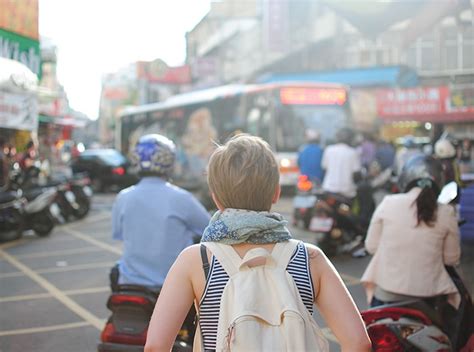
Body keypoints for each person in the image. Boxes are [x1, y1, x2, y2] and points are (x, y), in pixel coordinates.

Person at [144, 134, 371, 352]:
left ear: (216, 198)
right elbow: (359, 343)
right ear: (276, 193)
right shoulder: (310, 259)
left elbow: (156, 346)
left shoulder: (196, 260)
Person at [111, 134, 210, 289]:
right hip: (172, 287)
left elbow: (118, 234)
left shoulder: (123, 197)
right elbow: (209, 230)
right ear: (169, 162)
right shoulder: (181, 198)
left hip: (129, 284)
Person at [361, 154, 461, 308]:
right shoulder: (446, 211)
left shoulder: (388, 203)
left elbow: (371, 246)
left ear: (405, 179)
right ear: (440, 182)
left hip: (386, 295)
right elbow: (451, 259)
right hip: (429, 298)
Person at [321, 127, 361, 200]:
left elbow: (324, 168)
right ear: (351, 139)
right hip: (347, 192)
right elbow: (356, 174)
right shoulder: (352, 152)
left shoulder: (329, 150)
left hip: (329, 189)